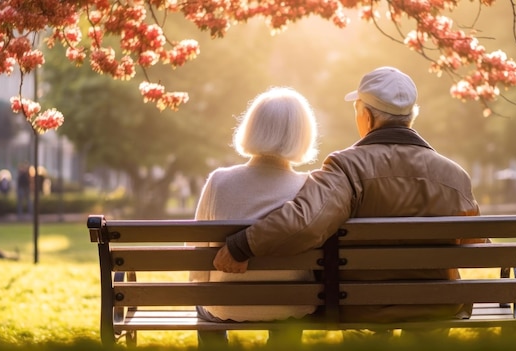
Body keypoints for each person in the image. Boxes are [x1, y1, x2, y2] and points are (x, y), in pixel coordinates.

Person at [213, 66, 486, 338]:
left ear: (366, 116)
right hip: (435, 307)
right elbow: (476, 247)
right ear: (411, 117)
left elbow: (305, 222)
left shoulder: (345, 167)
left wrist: (242, 245)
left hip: (362, 307)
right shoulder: (454, 176)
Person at [189, 86, 319, 345]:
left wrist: (202, 290)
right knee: (290, 309)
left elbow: (197, 257)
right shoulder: (311, 186)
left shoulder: (219, 182)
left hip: (223, 306)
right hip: (289, 306)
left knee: (205, 308)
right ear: (302, 135)